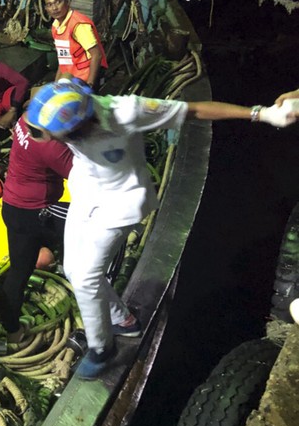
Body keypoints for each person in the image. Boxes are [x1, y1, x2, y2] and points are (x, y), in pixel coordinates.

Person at [24, 79, 298, 379]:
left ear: (76, 129)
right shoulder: (65, 96)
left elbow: (194, 110)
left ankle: (103, 348)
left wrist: (261, 113)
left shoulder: (126, 111)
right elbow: (43, 100)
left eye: (50, 135)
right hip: (87, 190)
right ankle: (123, 320)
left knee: (87, 277)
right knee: (75, 271)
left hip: (119, 203)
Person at [0, 112, 74, 342]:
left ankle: (10, 325)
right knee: (86, 228)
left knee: (19, 268)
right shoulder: (50, 147)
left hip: (13, 204)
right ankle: (12, 329)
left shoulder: (25, 119)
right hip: (36, 211)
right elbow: (83, 175)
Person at [42, 0, 108, 88]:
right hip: (71, 77)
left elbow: (97, 55)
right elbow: (63, 60)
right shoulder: (56, 26)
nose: (54, 8)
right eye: (49, 5)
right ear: (46, 8)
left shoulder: (79, 25)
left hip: (87, 77)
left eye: (58, 2)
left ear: (67, 2)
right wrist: (56, 84)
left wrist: (89, 85)